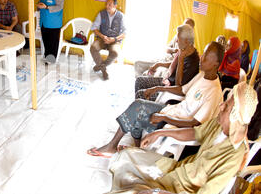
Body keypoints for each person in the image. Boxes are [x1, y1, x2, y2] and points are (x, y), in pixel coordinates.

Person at [101, 81, 258, 194]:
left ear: (235, 117)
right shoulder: (220, 125)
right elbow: (195, 133)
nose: (221, 106)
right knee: (126, 156)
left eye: (227, 107)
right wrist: (160, 133)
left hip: (180, 192)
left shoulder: (233, 155)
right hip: (177, 170)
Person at [87, 41, 224, 156]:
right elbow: (182, 89)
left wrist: (163, 118)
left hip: (176, 124)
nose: (202, 57)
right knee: (138, 105)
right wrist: (157, 88)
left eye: (206, 56)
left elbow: (195, 124)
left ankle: (113, 146)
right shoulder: (202, 75)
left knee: (138, 109)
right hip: (171, 111)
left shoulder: (214, 91)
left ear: (216, 64)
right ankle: (137, 149)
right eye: (203, 53)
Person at [134, 24, 200, 101]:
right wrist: (158, 64)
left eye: (178, 38)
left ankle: (144, 108)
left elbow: (178, 85)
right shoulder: (184, 51)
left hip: (173, 92)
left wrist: (157, 88)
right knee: (139, 81)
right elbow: (174, 65)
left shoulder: (193, 61)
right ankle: (141, 107)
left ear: (186, 41)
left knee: (141, 94)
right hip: (168, 82)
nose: (176, 41)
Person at [90, 0, 126, 80]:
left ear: (115, 6)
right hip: (102, 38)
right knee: (93, 48)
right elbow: (94, 28)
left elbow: (125, 33)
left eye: (110, 4)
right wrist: (103, 36)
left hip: (115, 40)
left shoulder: (121, 16)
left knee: (115, 53)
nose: (107, 6)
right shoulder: (101, 13)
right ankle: (104, 70)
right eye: (106, 4)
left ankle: (100, 67)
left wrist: (114, 39)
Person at [37, 0, 64, 64]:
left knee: (53, 42)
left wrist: (47, 7)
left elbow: (59, 7)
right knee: (45, 40)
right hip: (43, 21)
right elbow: (41, 3)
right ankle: (47, 56)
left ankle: (51, 59)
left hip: (54, 23)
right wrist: (39, 6)